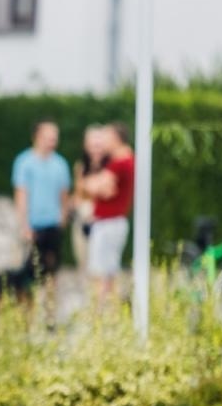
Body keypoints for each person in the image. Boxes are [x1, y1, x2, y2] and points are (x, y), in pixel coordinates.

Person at [10, 120, 71, 308]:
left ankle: (50, 316)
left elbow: (64, 195)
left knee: (52, 273)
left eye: (54, 138)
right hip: (33, 226)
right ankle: (27, 315)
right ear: (37, 137)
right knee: (29, 273)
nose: (52, 142)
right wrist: (24, 225)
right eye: (48, 137)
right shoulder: (24, 162)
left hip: (52, 225)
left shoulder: (60, 164)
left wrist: (62, 218)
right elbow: (21, 195)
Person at [79, 122, 135, 303]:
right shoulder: (120, 161)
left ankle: (100, 316)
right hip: (110, 223)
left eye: (106, 137)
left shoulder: (119, 162)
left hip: (108, 224)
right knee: (108, 273)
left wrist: (89, 183)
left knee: (101, 275)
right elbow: (100, 187)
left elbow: (100, 188)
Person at [71, 125, 110, 269]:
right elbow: (78, 194)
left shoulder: (110, 167)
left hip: (102, 220)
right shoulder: (81, 167)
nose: (96, 149)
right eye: (93, 145)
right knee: (84, 262)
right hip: (83, 220)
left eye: (99, 145)